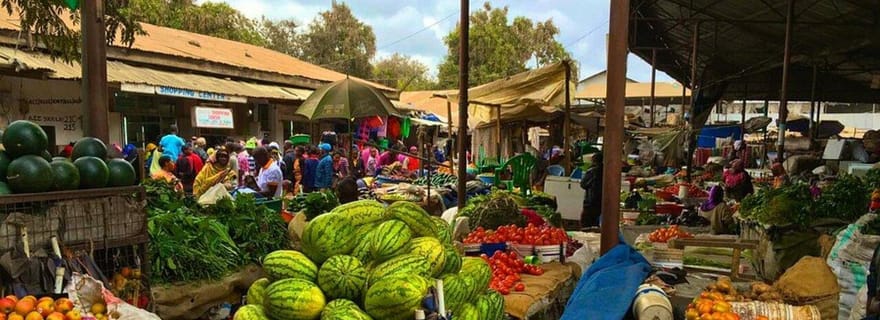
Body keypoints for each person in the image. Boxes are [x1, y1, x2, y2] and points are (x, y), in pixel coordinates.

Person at [580, 153, 603, 228]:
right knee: (597, 224)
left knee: (586, 224)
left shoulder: (592, 171)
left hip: (591, 201)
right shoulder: (607, 170)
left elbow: (583, 184)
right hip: (602, 202)